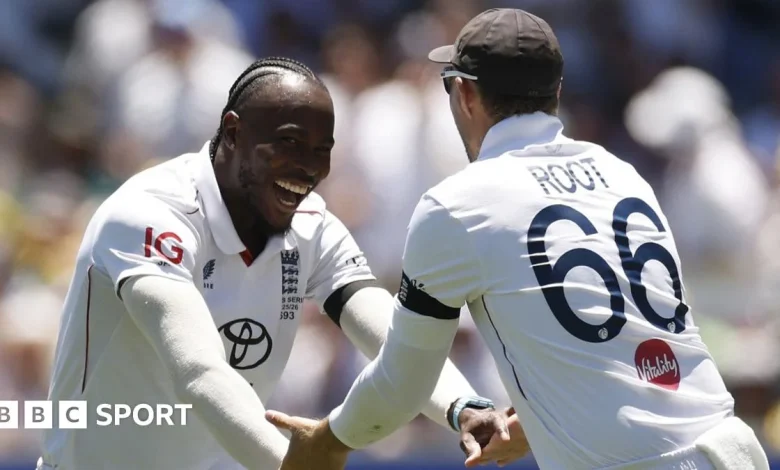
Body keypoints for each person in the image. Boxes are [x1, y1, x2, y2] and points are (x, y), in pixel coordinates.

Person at [265, 10, 771, 470]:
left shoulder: (456, 205)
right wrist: (538, 421)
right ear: (555, 91)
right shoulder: (624, 174)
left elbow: (405, 381)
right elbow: (630, 344)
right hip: (731, 448)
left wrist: (329, 441)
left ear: (464, 94)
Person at [37, 57, 524, 470]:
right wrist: (293, 463)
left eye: (321, 151)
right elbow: (200, 372)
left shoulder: (311, 224)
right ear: (233, 132)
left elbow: (391, 332)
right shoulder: (147, 214)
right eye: (289, 143)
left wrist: (465, 407)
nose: (308, 168)